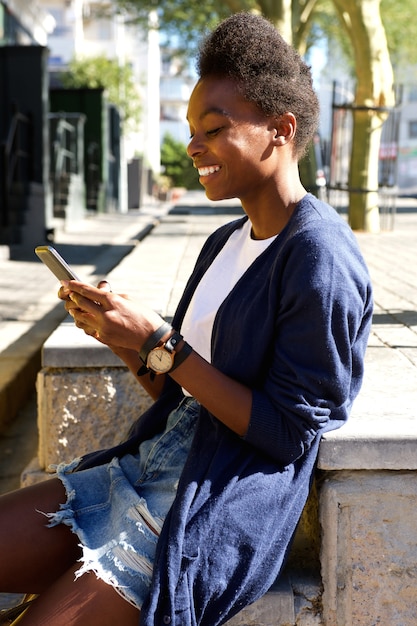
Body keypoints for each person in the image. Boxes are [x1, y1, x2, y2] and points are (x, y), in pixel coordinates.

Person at [0, 12, 373, 626]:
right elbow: (177, 390)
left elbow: (286, 433)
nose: (194, 145)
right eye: (192, 128)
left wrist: (160, 340)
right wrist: (126, 341)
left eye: (215, 128)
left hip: (207, 502)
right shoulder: (225, 242)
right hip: (142, 468)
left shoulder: (320, 256)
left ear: (281, 129)